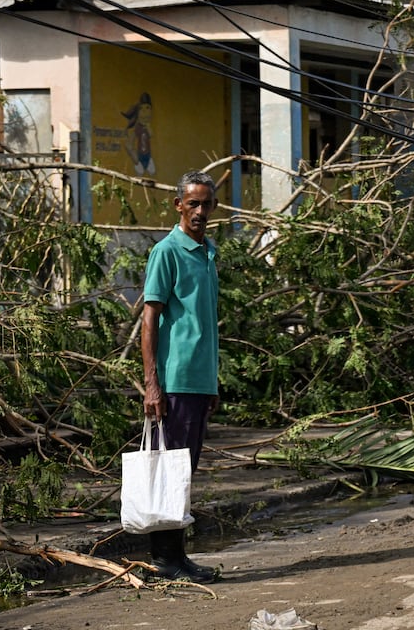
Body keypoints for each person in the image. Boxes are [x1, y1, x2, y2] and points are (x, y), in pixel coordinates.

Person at [140, 170, 222, 582]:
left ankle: (177, 556)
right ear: (178, 205)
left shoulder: (208, 252)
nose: (200, 211)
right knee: (171, 470)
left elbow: (206, 323)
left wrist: (213, 381)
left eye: (207, 203)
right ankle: (166, 559)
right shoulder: (167, 252)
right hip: (175, 381)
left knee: (184, 471)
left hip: (199, 381)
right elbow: (150, 321)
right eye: (193, 203)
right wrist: (152, 383)